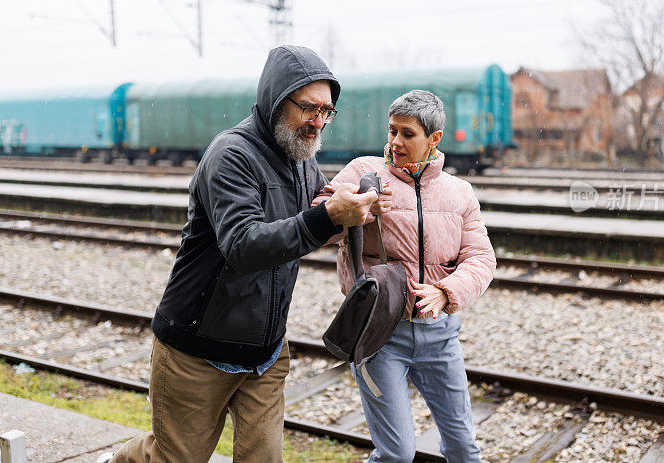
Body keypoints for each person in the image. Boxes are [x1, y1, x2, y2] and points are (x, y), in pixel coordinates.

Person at [103, 46, 379, 463]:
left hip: (265, 352)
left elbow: (305, 227)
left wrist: (350, 209)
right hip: (198, 348)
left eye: (327, 111)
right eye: (308, 108)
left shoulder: (302, 160)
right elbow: (243, 245)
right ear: (275, 99)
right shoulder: (231, 155)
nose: (318, 122)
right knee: (175, 457)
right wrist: (326, 217)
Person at [312, 90, 496, 462]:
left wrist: (446, 293)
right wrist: (358, 210)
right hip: (379, 334)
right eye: (392, 130)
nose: (395, 142)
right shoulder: (362, 173)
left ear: (435, 139)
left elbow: (481, 257)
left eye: (407, 134)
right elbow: (318, 224)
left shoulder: (459, 192)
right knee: (396, 454)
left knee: (464, 449)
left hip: (440, 337)